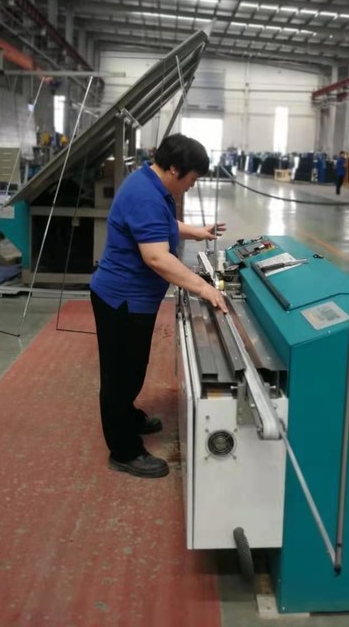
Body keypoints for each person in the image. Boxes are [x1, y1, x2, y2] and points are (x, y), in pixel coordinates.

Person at [90, 134, 228, 479]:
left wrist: (197, 232)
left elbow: (159, 228)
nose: (191, 187)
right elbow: (155, 256)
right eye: (191, 180)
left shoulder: (151, 184)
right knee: (120, 373)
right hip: (122, 298)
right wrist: (203, 288)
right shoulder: (144, 195)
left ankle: (128, 413)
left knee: (134, 365)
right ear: (173, 169)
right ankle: (123, 450)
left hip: (135, 298)